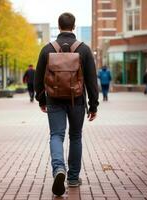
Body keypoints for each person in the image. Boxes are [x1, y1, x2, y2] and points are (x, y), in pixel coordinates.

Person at [34, 12, 99, 196]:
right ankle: (72, 177)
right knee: (76, 136)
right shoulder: (83, 49)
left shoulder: (47, 49)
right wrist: (93, 105)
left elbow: (38, 79)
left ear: (59, 25)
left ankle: (58, 169)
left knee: (56, 135)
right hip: (77, 100)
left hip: (54, 99)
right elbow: (92, 81)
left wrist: (41, 99)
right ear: (74, 26)